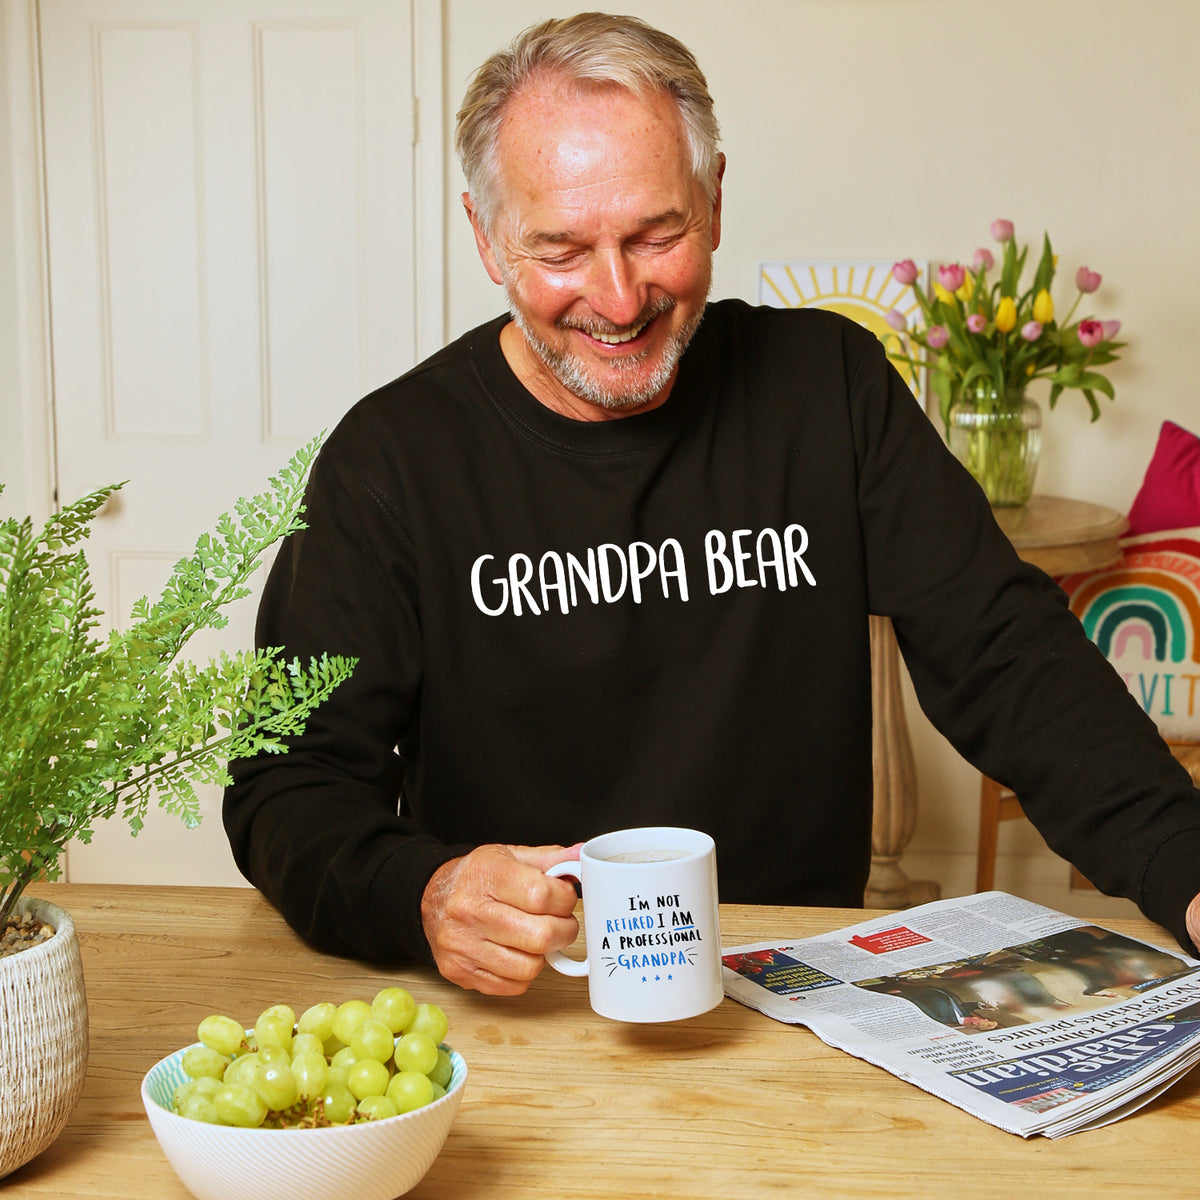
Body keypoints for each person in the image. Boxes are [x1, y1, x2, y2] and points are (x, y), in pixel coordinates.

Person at [224, 12, 1200, 996]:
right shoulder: (391, 461)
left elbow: (1006, 657)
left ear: (717, 199)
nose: (617, 298)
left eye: (657, 235)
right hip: (527, 1004)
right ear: (486, 237)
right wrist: (424, 892)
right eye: (561, 250)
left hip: (795, 987)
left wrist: (1189, 867)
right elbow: (286, 786)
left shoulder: (831, 387)